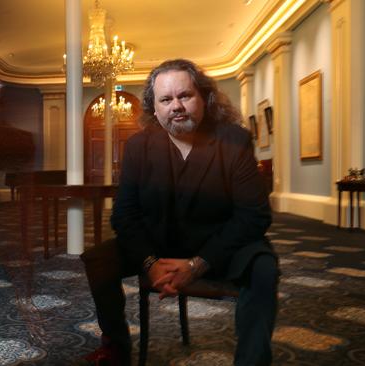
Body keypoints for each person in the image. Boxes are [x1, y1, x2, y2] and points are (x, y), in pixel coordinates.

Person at [78, 59, 279, 366]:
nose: (176, 106)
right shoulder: (137, 146)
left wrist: (197, 264)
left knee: (264, 267)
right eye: (166, 99)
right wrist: (150, 263)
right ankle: (116, 347)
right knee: (98, 259)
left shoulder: (233, 139)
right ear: (154, 109)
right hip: (159, 245)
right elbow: (124, 215)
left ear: (204, 98)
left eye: (185, 96)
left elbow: (254, 215)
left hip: (220, 246)